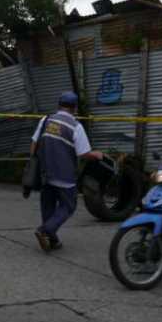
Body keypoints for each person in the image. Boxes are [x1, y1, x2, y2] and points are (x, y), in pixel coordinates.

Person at [31, 91, 103, 252]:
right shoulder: (76, 126)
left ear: (59, 104)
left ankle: (52, 240)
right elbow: (83, 153)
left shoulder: (46, 120)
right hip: (64, 174)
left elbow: (34, 143)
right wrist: (97, 154)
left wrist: (34, 162)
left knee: (47, 205)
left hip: (45, 172)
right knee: (68, 206)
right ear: (75, 108)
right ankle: (45, 230)